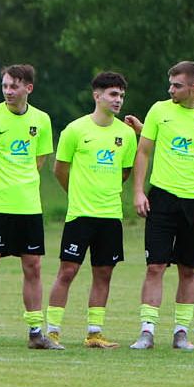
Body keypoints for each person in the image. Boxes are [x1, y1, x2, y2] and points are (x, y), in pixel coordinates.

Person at [129, 61, 194, 350]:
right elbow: (143, 152)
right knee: (155, 266)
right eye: (170, 84)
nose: (171, 90)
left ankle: (181, 332)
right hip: (162, 199)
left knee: (188, 269)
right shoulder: (159, 111)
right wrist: (138, 192)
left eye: (177, 85)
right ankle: (147, 331)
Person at [44, 72, 138, 349]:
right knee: (67, 271)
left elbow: (125, 172)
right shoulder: (75, 130)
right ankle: (52, 331)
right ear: (97, 96)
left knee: (104, 273)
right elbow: (60, 169)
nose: (118, 99)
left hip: (110, 216)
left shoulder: (125, 134)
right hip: (81, 215)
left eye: (121, 95)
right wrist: (77, 194)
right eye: (113, 94)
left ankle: (94, 333)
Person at [0, 64, 55, 349]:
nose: (8, 91)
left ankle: (35, 332)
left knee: (33, 266)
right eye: (4, 86)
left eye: (13, 87)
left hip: (29, 207)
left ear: (28, 88)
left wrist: (20, 182)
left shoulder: (41, 120)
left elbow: (39, 162)